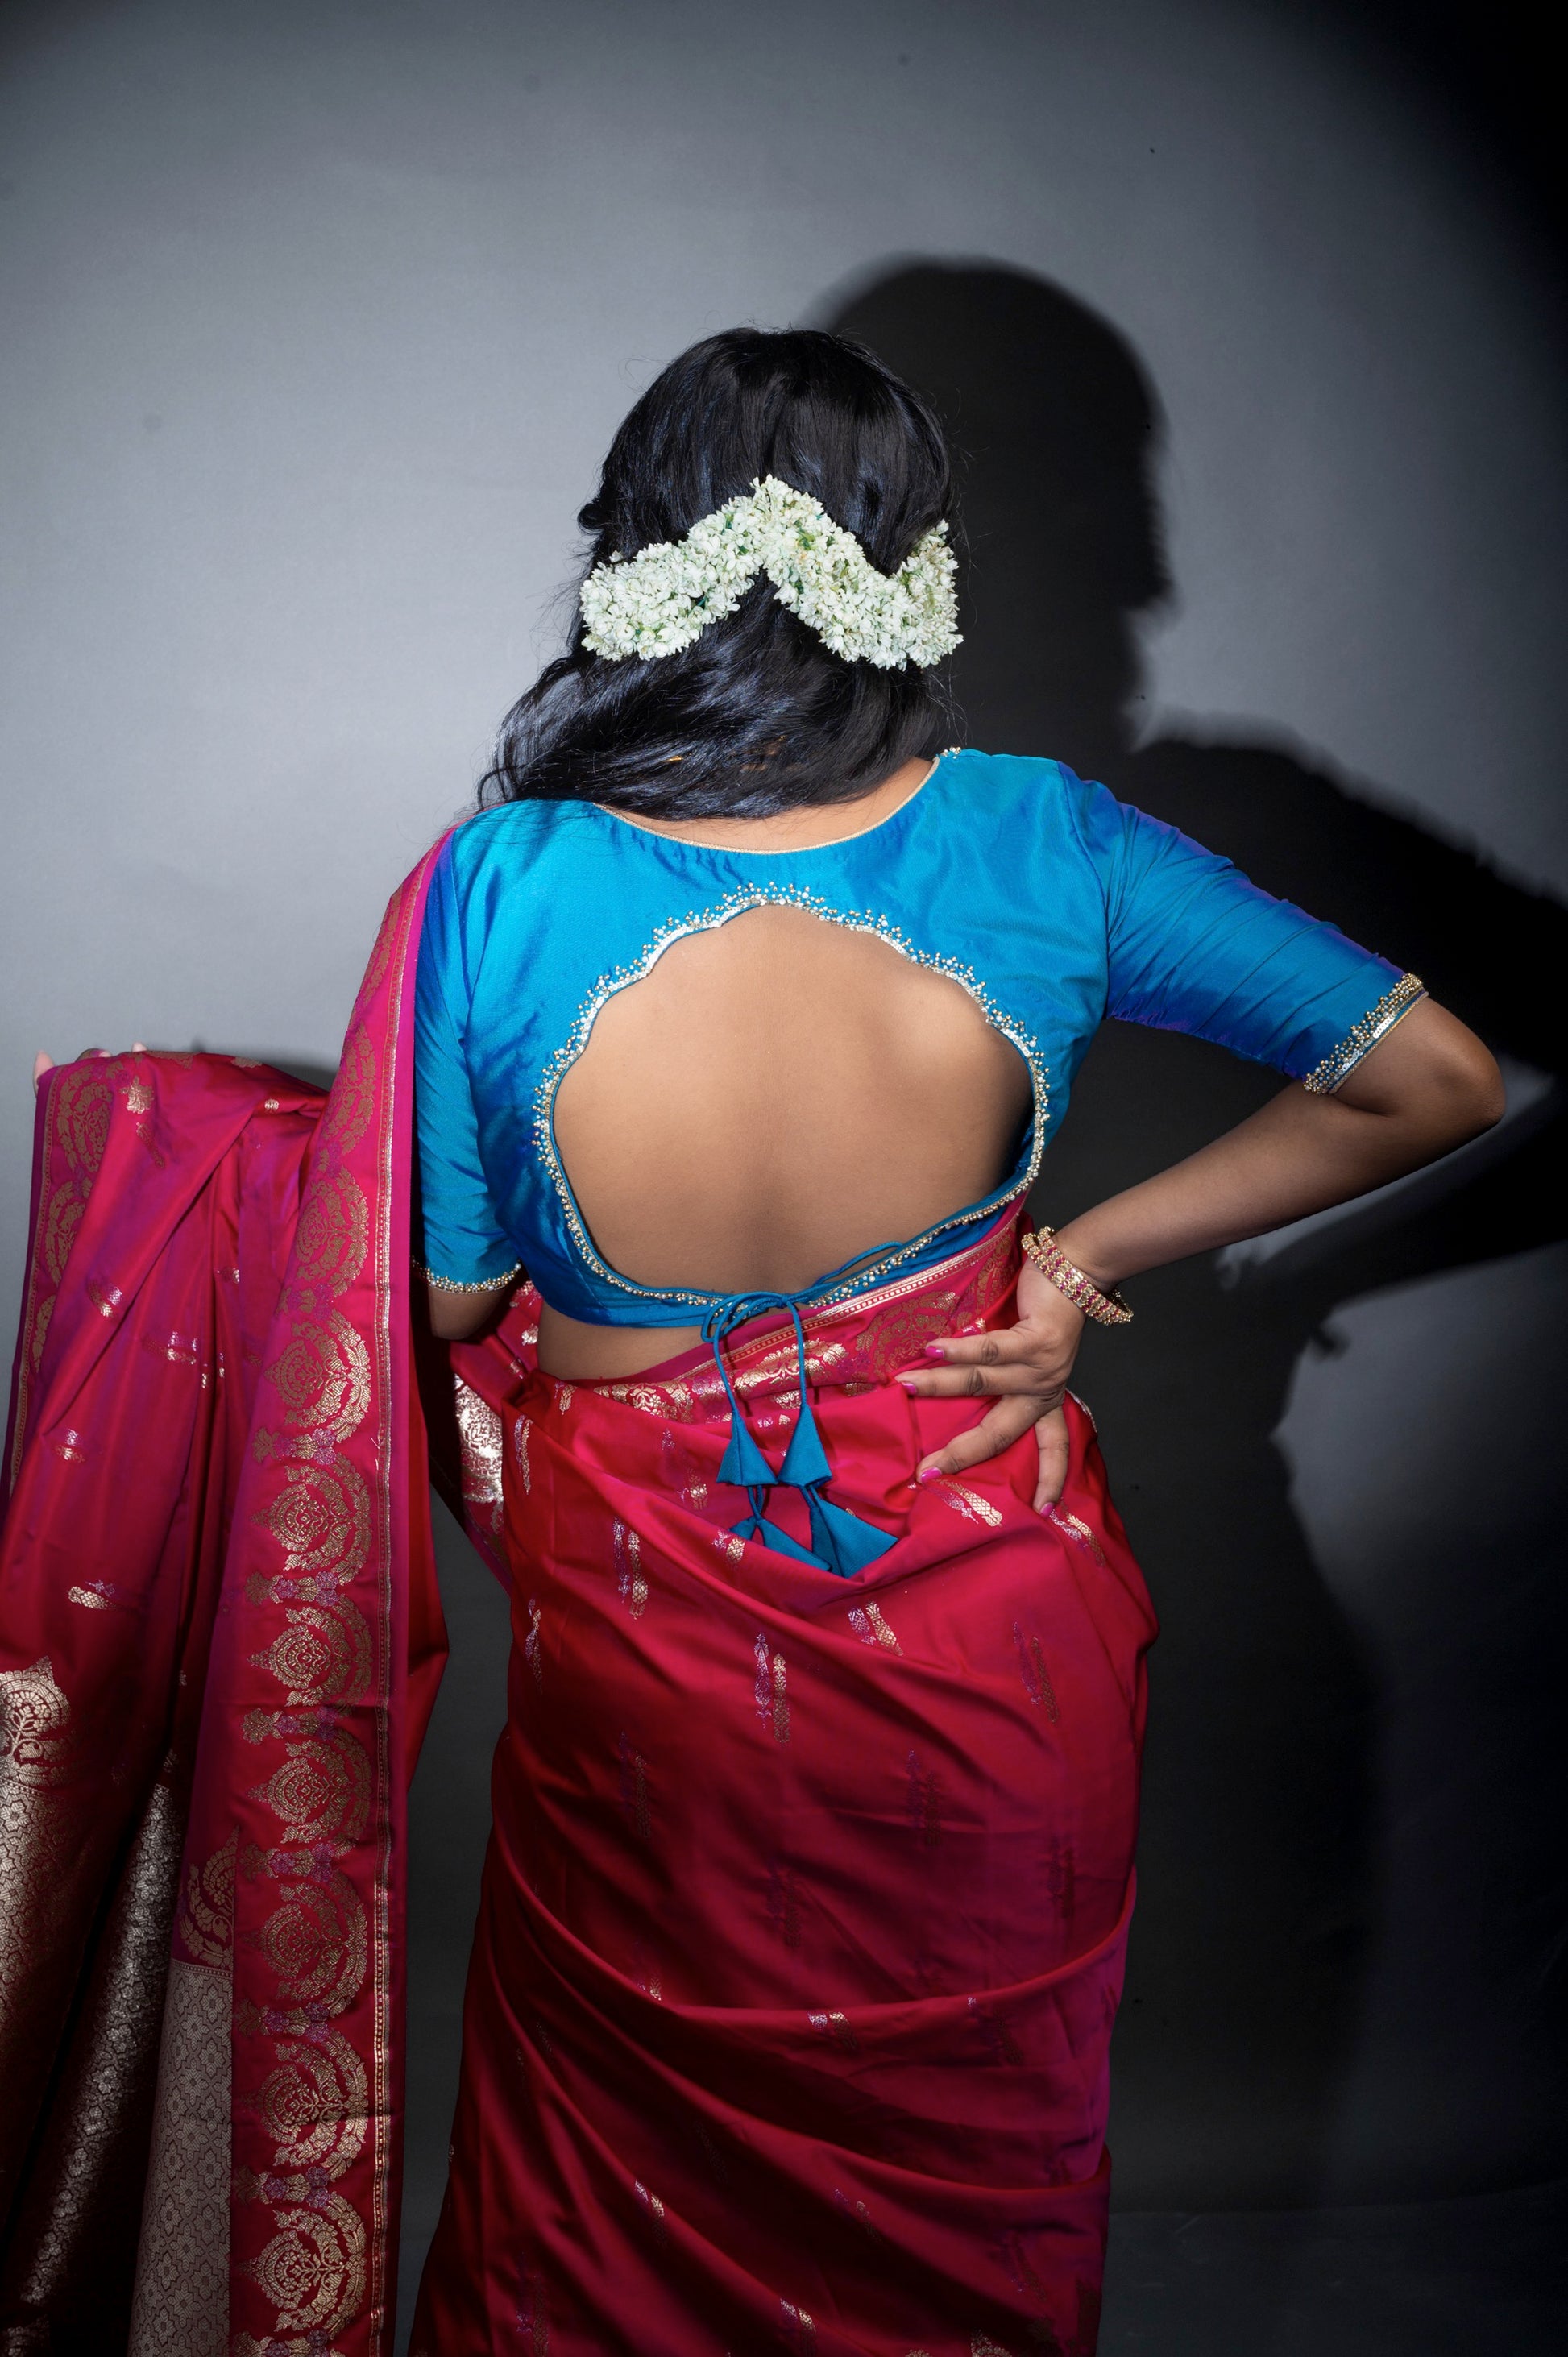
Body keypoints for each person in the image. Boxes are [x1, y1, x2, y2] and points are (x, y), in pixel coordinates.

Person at [5, 329, 1498, 2357]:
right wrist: (1071, 1262)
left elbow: (424, 1302)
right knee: (963, 2230)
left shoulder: (498, 887)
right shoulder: (1045, 843)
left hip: (653, 1665)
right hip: (998, 1645)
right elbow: (1430, 1075)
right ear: (913, 562)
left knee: (603, 2227)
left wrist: (267, 1138)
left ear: (637, 550)